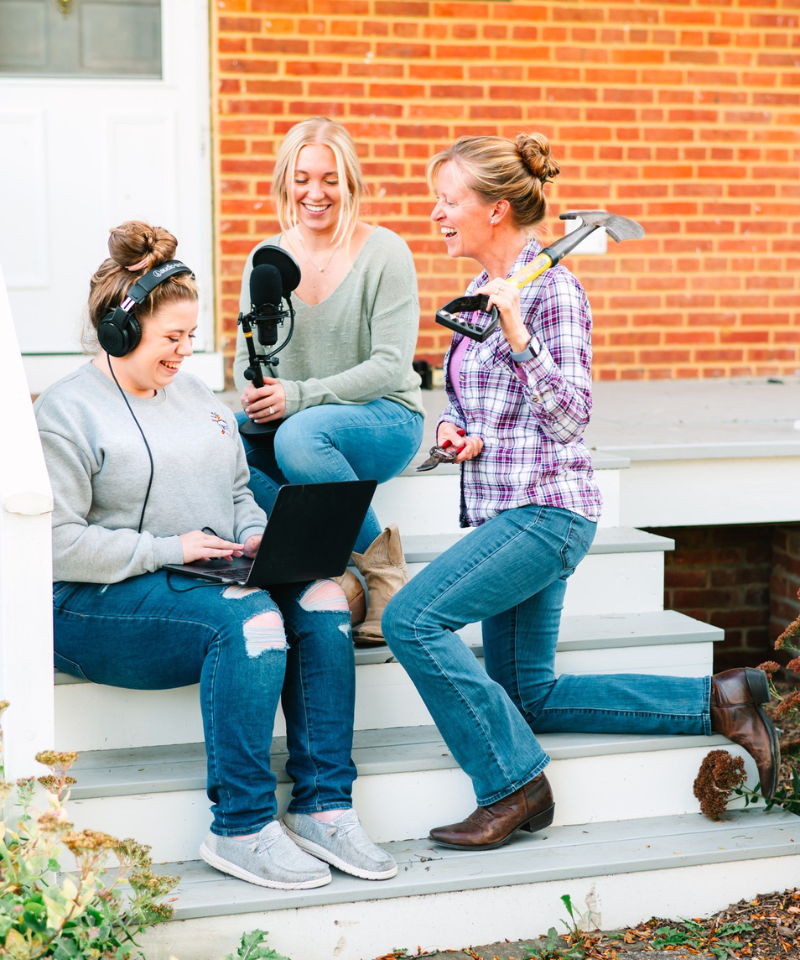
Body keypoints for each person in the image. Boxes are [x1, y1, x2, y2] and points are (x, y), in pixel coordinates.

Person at [381, 133, 780, 850]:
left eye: (448, 200)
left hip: (548, 512)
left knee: (412, 619)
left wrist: (518, 333)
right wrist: (455, 433)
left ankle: (512, 786)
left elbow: (570, 417)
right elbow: (474, 407)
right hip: (508, 509)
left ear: (496, 209)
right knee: (527, 695)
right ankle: (721, 700)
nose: (436, 214)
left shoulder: (553, 290)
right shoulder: (480, 294)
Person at [35, 221, 397, 888]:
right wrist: (170, 548)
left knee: (319, 597)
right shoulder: (66, 412)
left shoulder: (197, 398)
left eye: (190, 336)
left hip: (198, 573)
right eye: (171, 338)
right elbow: (57, 545)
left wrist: (258, 532)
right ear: (121, 329)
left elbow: (237, 491)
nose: (185, 351)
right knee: (251, 619)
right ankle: (242, 826)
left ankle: (324, 806)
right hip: (96, 604)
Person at [233, 116, 425, 644]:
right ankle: (335, 569)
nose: (314, 193)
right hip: (299, 421)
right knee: (222, 437)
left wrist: (296, 396)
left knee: (300, 435)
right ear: (284, 183)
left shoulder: (385, 253)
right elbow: (244, 360)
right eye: (302, 178)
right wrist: (257, 394)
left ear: (350, 183)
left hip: (382, 418)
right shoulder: (266, 258)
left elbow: (390, 365)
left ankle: (386, 576)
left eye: (329, 179)